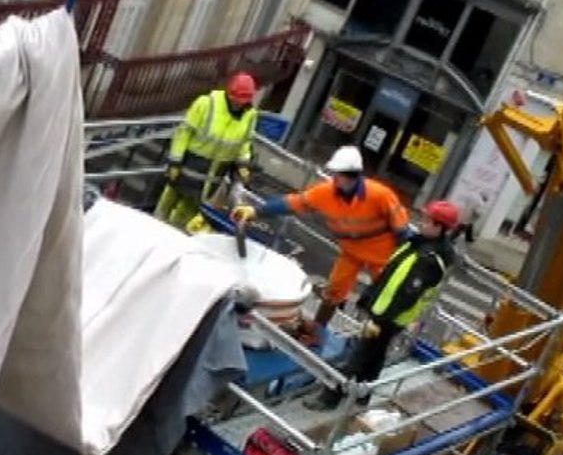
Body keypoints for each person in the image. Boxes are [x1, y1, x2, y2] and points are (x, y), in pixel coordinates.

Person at [230, 145, 411, 335]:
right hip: (351, 252)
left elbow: (402, 229)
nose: (334, 179)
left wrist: (402, 262)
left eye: (338, 175)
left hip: (382, 256)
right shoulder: (326, 193)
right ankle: (317, 331)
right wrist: (256, 211)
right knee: (333, 292)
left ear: (353, 175)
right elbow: (292, 203)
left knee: (385, 300)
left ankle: (376, 338)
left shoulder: (380, 195)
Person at [303, 200, 461, 411]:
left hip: (387, 317)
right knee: (374, 356)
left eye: (426, 221)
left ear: (439, 227)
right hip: (385, 314)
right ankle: (362, 395)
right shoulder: (421, 244)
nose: (421, 223)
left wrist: (379, 319)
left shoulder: (430, 259)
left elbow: (407, 294)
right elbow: (391, 276)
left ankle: (329, 397)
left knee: (358, 357)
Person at [155, 72, 259, 232]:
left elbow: (244, 143)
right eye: (236, 99)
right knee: (166, 204)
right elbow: (184, 132)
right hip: (188, 166)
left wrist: (244, 164)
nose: (238, 104)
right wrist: (175, 161)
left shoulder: (250, 115)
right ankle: (155, 232)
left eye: (242, 101)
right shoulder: (207, 103)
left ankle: (174, 237)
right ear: (228, 93)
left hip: (212, 177)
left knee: (186, 214)